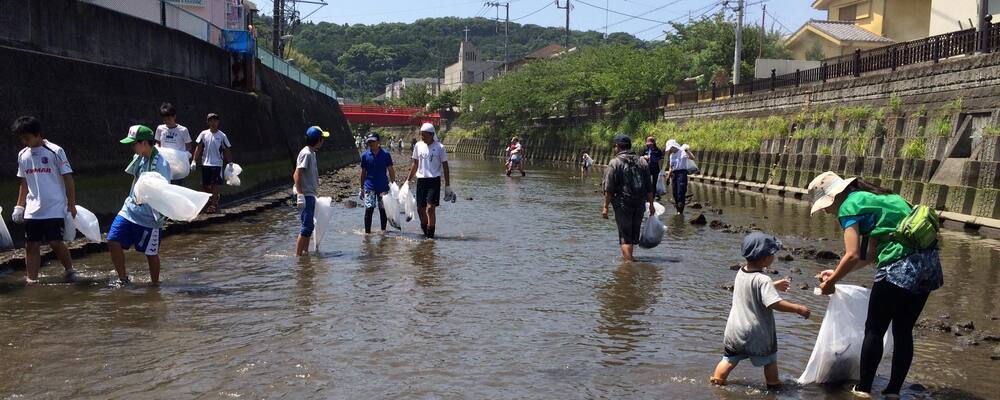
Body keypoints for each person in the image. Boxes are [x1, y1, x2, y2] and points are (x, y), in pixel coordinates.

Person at [809, 171, 943, 399]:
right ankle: (893, 392)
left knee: (874, 329)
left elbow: (851, 254)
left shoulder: (848, 207)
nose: (826, 211)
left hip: (897, 268)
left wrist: (831, 283)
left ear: (834, 197)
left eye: (825, 205)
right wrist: (837, 272)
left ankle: (864, 389)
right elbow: (869, 255)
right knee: (903, 330)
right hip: (928, 266)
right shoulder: (883, 198)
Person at [711, 232, 811, 391]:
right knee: (770, 361)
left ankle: (717, 383)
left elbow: (750, 288)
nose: (774, 257)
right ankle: (774, 386)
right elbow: (774, 303)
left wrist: (774, 285)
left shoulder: (741, 271)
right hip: (757, 333)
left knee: (729, 359)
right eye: (772, 254)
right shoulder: (763, 279)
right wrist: (798, 308)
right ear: (765, 258)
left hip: (735, 330)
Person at [11, 116, 78, 284]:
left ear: (37, 134)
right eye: (21, 138)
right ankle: (32, 279)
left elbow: (68, 178)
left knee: (55, 242)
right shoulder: (23, 155)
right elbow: (24, 182)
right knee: (31, 245)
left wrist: (71, 204)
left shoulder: (55, 151)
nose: (24, 141)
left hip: (54, 207)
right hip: (32, 209)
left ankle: (70, 270)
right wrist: (19, 206)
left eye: (27, 137)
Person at [107, 125, 172, 286]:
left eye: (133, 143)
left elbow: (164, 191)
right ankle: (123, 279)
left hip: (149, 217)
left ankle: (155, 286)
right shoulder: (140, 158)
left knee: (151, 254)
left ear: (144, 143)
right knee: (112, 240)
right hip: (129, 210)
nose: (131, 146)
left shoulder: (161, 164)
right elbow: (135, 179)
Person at [601, 134, 655, 262]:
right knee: (633, 235)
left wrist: (605, 207)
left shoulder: (615, 162)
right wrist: (651, 205)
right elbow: (649, 186)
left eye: (614, 146)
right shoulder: (642, 161)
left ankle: (629, 265)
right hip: (640, 203)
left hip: (623, 204)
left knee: (625, 237)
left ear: (617, 146)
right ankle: (630, 259)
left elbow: (609, 188)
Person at [405, 123, 452, 239]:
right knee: (420, 210)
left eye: (424, 135)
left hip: (434, 181)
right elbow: (415, 164)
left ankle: (430, 238)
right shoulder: (418, 146)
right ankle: (426, 233)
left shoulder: (440, 147)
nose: (422, 137)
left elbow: (445, 166)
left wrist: (447, 186)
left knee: (430, 208)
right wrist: (407, 180)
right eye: (421, 134)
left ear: (431, 135)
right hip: (421, 181)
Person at [293, 126, 328, 256]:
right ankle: (298, 257)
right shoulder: (306, 153)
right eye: (322, 138)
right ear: (318, 140)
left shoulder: (312, 153)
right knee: (306, 226)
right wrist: (300, 194)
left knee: (309, 226)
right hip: (305, 194)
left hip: (310, 194)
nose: (323, 141)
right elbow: (297, 174)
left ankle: (305, 254)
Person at [193, 113, 233, 213]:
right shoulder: (203, 134)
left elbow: (226, 150)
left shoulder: (222, 136)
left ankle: (213, 205)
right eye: (211, 120)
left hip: (217, 164)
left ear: (218, 122)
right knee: (204, 185)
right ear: (208, 122)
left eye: (215, 120)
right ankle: (214, 197)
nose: (213, 122)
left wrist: (230, 163)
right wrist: (194, 160)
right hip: (205, 163)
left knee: (215, 184)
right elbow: (199, 148)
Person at [359, 132, 397, 234]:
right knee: (369, 209)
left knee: (383, 209)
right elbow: (363, 173)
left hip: (383, 187)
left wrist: (393, 185)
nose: (371, 143)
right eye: (369, 142)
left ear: (378, 142)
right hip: (369, 187)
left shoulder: (385, 155)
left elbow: (390, 170)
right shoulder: (365, 156)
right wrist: (361, 188)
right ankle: (367, 233)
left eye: (373, 141)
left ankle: (383, 232)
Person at [154, 102, 193, 185]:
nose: (166, 121)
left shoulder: (183, 130)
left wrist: (185, 156)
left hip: (178, 164)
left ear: (174, 116)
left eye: (169, 118)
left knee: (177, 186)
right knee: (164, 185)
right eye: (164, 119)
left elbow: (188, 146)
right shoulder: (160, 128)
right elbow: (157, 143)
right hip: (164, 163)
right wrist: (157, 149)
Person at [665, 139, 695, 214]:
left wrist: (687, 150)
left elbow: (692, 157)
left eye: (670, 148)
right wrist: (668, 177)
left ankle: (680, 212)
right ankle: (678, 209)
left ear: (674, 146)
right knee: (675, 193)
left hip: (682, 173)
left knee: (680, 192)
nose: (670, 150)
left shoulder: (682, 152)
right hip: (674, 174)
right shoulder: (671, 156)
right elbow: (671, 167)